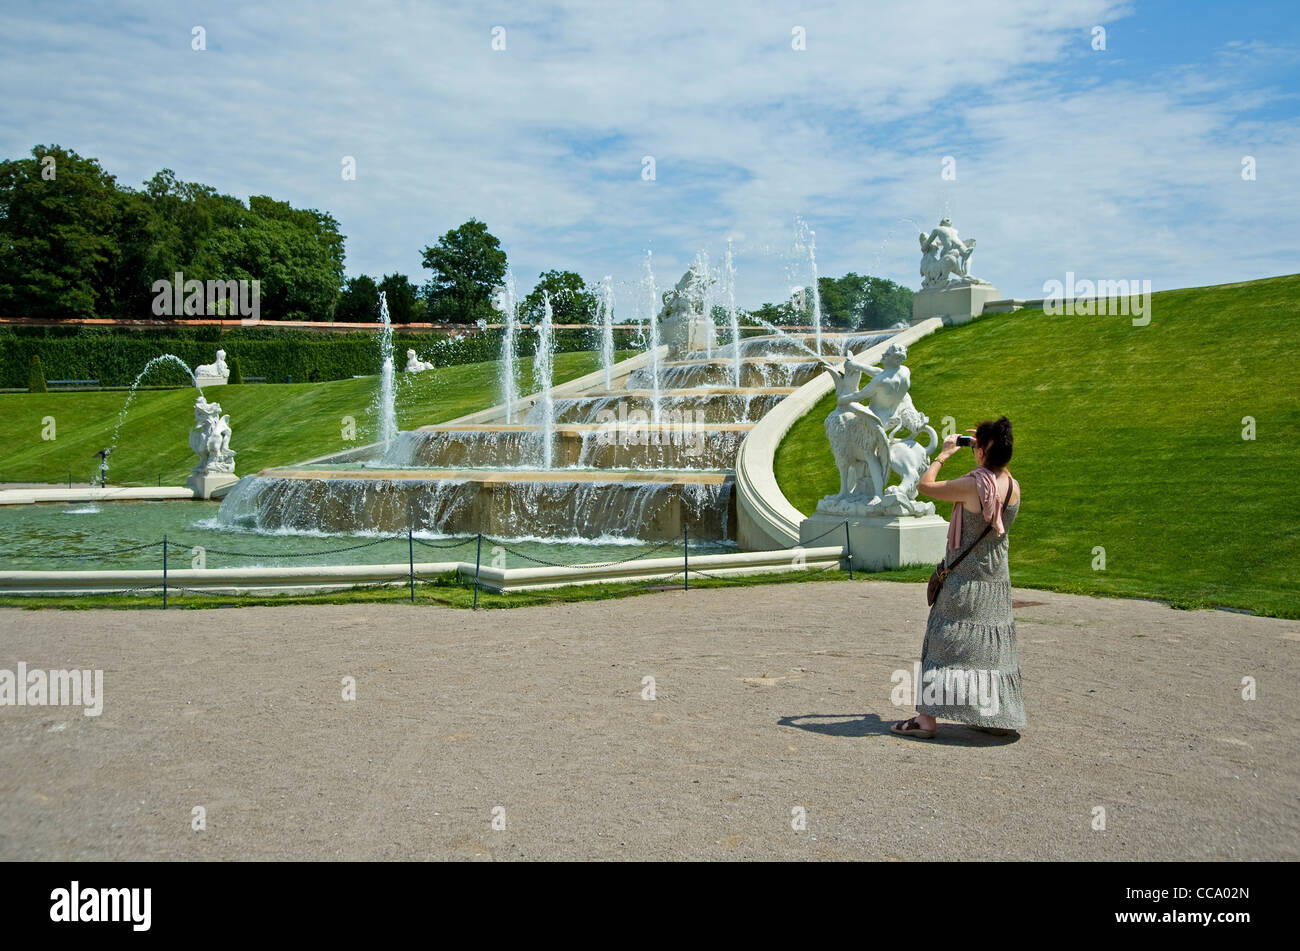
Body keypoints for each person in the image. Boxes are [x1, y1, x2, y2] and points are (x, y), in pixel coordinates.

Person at [891, 416, 1025, 739]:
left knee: (942, 640)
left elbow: (924, 486)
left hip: (964, 579)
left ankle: (925, 720)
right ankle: (994, 715)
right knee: (989, 647)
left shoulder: (973, 485)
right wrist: (984, 449)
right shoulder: (1013, 486)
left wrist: (945, 453)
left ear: (983, 451)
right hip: (995, 579)